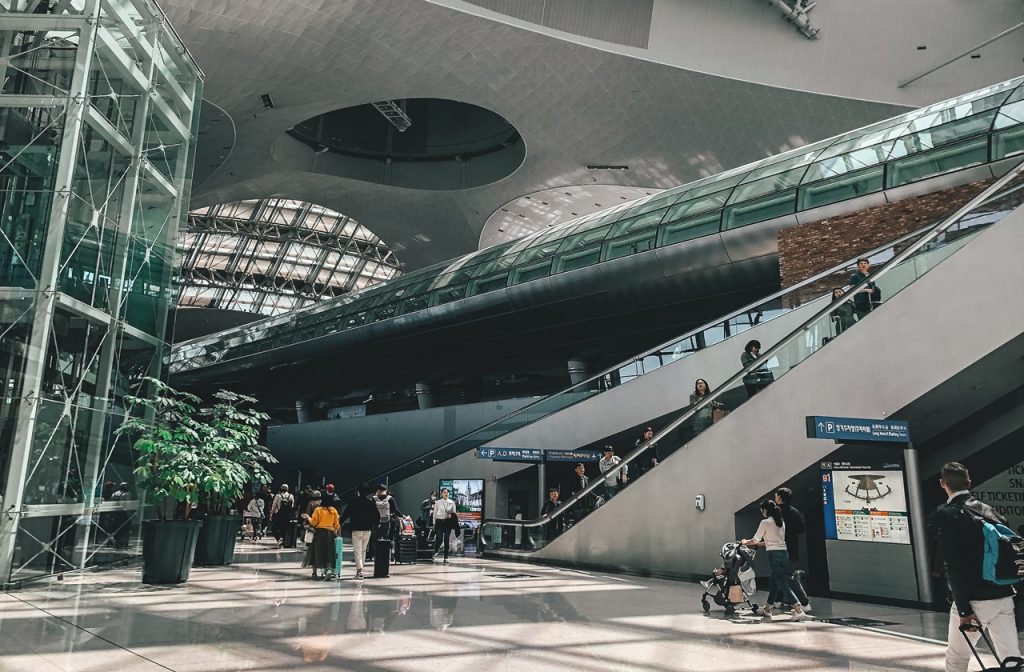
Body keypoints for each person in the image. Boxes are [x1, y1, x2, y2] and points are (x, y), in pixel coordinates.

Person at [934, 462, 1020, 672]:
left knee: (957, 657)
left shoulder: (948, 514)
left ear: (943, 484)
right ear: (969, 481)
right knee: (1012, 658)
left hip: (974, 599)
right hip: (1002, 594)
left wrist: (963, 608)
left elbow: (954, 565)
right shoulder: (988, 510)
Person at [741, 499, 808, 621]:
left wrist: (745, 542)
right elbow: (773, 540)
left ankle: (798, 609)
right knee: (774, 582)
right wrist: (762, 543)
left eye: (762, 510)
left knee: (782, 583)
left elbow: (755, 540)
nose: (762, 513)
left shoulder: (765, 522)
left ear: (765, 510)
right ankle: (767, 609)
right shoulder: (780, 522)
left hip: (774, 555)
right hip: (783, 554)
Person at [774, 487, 811, 612]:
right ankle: (777, 600)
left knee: (787, 576)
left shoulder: (775, 512)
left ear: (779, 498)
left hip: (778, 548)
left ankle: (804, 602)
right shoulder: (794, 512)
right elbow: (801, 529)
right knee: (780, 574)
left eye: (776, 496)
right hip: (792, 547)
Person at [340, 487, 378, 579]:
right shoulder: (371, 503)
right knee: (363, 550)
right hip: (367, 530)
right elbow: (377, 516)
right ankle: (361, 570)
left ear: (358, 493)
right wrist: (374, 525)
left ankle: (359, 571)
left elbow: (345, 515)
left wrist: (339, 523)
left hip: (356, 529)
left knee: (357, 551)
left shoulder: (353, 503)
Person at [306, 495, 340, 580]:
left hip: (320, 533)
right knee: (329, 552)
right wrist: (335, 532)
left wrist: (307, 517)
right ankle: (328, 570)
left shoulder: (318, 510)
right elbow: (337, 525)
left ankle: (314, 573)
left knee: (316, 551)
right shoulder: (334, 510)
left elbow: (313, 523)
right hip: (330, 533)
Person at [372, 484, 402, 559]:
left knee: (376, 539)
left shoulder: (374, 498)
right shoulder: (390, 498)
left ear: (378, 490)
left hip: (376, 522)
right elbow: (395, 510)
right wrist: (402, 516)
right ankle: (387, 555)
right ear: (386, 490)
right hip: (387, 521)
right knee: (387, 539)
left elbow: (370, 510)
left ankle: (377, 555)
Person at [431, 487, 458, 564]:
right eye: (444, 492)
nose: (446, 494)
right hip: (439, 522)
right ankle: (436, 551)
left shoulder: (452, 502)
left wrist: (451, 517)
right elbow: (435, 514)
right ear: (441, 494)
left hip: (448, 522)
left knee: (446, 539)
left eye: (447, 492)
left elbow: (454, 514)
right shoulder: (438, 502)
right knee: (439, 539)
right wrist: (434, 523)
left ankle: (446, 557)